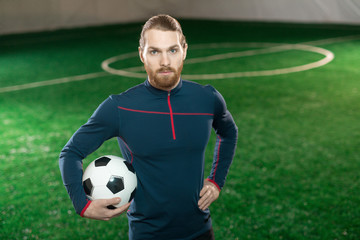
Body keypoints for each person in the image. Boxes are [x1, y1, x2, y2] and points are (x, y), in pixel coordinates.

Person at [59, 14, 238, 240]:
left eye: (172, 50)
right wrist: (82, 204)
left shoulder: (207, 98)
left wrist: (216, 181)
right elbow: (71, 152)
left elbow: (229, 132)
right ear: (141, 54)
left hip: (201, 231)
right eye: (154, 51)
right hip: (148, 234)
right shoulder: (120, 107)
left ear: (184, 50)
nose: (165, 61)